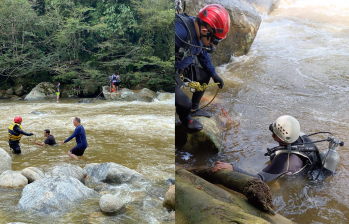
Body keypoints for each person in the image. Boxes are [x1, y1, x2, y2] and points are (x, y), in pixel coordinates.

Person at [213, 115, 322, 183]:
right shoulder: (302, 136)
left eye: (273, 132)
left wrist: (233, 168)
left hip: (298, 179)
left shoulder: (284, 160)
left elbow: (259, 179)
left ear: (278, 137)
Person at [175, 4, 229, 132]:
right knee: (184, 103)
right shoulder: (179, 32)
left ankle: (194, 109)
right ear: (205, 31)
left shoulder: (200, 35)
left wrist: (215, 75)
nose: (213, 45)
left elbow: (203, 56)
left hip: (180, 70)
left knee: (205, 76)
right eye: (214, 40)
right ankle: (186, 119)